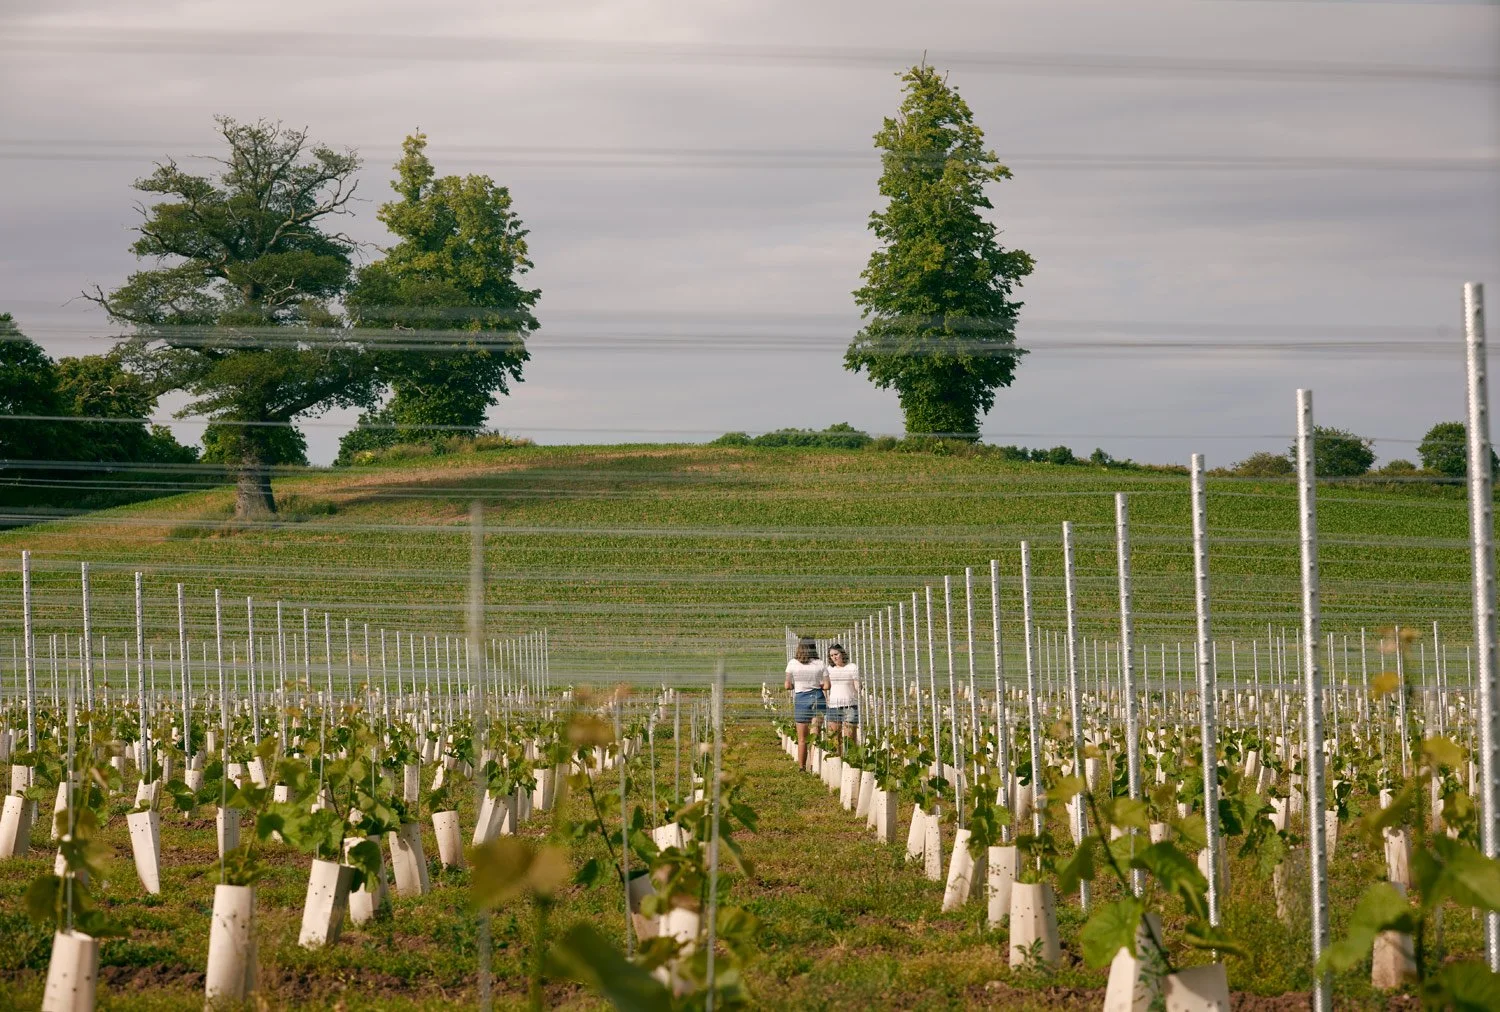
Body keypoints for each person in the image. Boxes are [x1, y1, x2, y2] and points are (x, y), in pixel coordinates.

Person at [784, 638, 829, 771]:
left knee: (802, 738)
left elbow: (787, 685)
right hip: (817, 697)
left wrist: (795, 685)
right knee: (815, 735)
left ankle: (802, 767)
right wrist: (818, 685)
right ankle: (814, 767)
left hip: (801, 699)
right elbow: (827, 685)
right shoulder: (820, 663)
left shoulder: (792, 663)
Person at [824, 643, 860, 753]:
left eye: (836, 654)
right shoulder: (829, 669)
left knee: (850, 738)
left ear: (842, 654)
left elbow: (857, 685)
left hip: (850, 706)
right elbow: (825, 686)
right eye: (831, 655)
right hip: (833, 707)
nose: (834, 657)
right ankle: (837, 760)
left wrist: (860, 690)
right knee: (835, 738)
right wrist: (826, 698)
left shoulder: (852, 667)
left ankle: (850, 760)